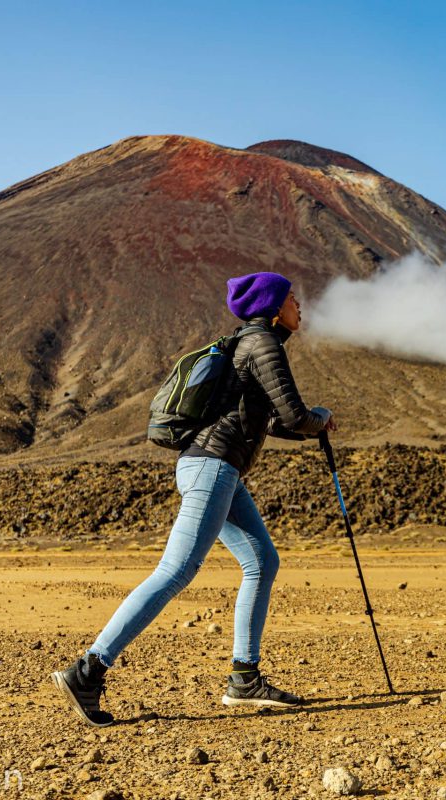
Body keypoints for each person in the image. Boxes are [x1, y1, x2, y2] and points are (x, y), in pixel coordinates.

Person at [51, 271, 335, 727]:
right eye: (292, 298)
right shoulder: (263, 345)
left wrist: (311, 424)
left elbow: (275, 422)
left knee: (263, 561)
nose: (299, 306)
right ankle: (87, 671)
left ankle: (245, 679)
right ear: (272, 306)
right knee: (175, 571)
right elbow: (296, 416)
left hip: (221, 470)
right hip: (213, 469)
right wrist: (319, 419)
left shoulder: (250, 345)